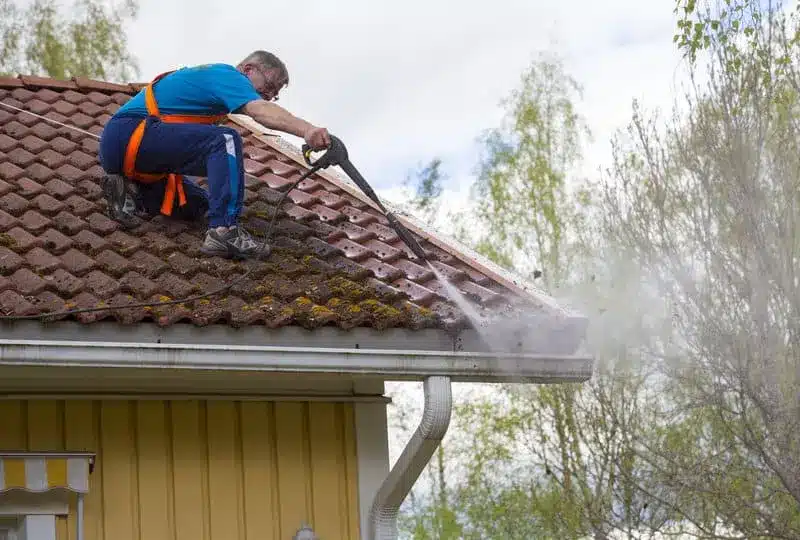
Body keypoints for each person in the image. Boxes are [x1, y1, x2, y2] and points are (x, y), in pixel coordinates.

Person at [98, 50, 331, 259]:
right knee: (225, 140)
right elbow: (261, 111)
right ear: (248, 69)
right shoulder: (228, 75)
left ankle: (130, 191)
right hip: (132, 132)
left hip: (129, 151)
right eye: (269, 86)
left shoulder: (209, 90)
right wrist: (307, 130)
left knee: (198, 206)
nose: (269, 95)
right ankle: (224, 231)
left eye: (275, 93)